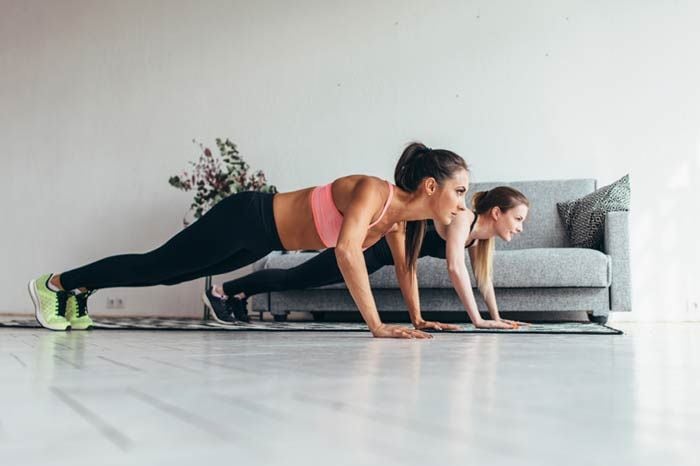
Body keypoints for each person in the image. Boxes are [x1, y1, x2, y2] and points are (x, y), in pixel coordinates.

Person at [28, 142, 468, 339]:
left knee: (167, 276)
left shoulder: (398, 224)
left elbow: (405, 268)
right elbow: (346, 250)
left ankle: (79, 291)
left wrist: (417, 318)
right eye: (460, 191)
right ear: (431, 186)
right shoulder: (373, 191)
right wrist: (376, 326)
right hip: (247, 218)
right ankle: (56, 285)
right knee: (155, 265)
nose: (463, 204)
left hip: (259, 241)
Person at [205, 187, 531, 330]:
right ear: (497, 212)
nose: (520, 228)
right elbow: (454, 268)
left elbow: (482, 281)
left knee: (299, 278)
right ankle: (223, 290)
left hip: (379, 255)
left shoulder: (481, 239)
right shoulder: (464, 218)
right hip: (367, 250)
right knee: (297, 278)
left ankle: (237, 293)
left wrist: (496, 316)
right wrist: (478, 320)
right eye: (518, 219)